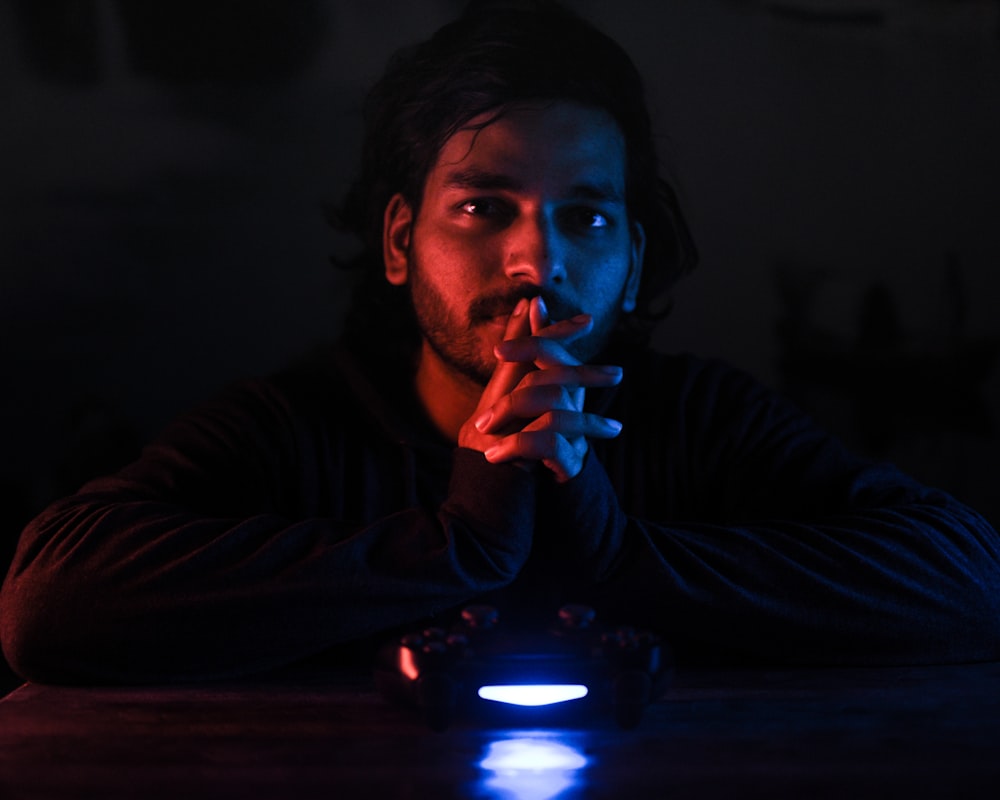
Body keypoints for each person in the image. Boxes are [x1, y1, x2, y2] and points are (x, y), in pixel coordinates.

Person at [2, 0, 999, 685]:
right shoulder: (298, 424)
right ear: (400, 240)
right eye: (484, 206)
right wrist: (454, 542)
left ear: (636, 257)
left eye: (587, 218)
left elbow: (966, 579)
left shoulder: (700, 418)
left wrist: (617, 548)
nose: (534, 261)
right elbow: (48, 603)